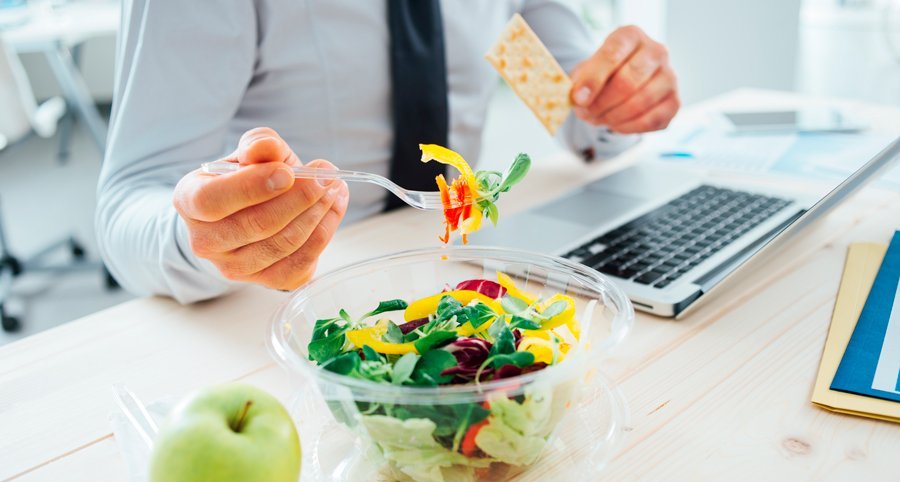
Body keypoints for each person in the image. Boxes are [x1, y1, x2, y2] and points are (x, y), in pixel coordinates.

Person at [96, 1, 679, 304]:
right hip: (278, 306)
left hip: (461, 270)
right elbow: (129, 204)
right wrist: (217, 237)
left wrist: (622, 99)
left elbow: (578, 112)